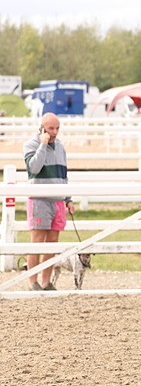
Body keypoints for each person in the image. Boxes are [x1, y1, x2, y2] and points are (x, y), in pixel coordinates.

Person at [23, 113, 73, 290]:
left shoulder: (60, 147)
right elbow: (34, 168)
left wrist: (68, 199)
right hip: (40, 200)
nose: (55, 132)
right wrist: (43, 145)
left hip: (58, 201)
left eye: (57, 128)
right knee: (36, 242)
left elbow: (63, 174)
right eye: (51, 128)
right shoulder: (31, 145)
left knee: (52, 242)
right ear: (42, 128)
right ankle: (32, 281)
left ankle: (46, 281)